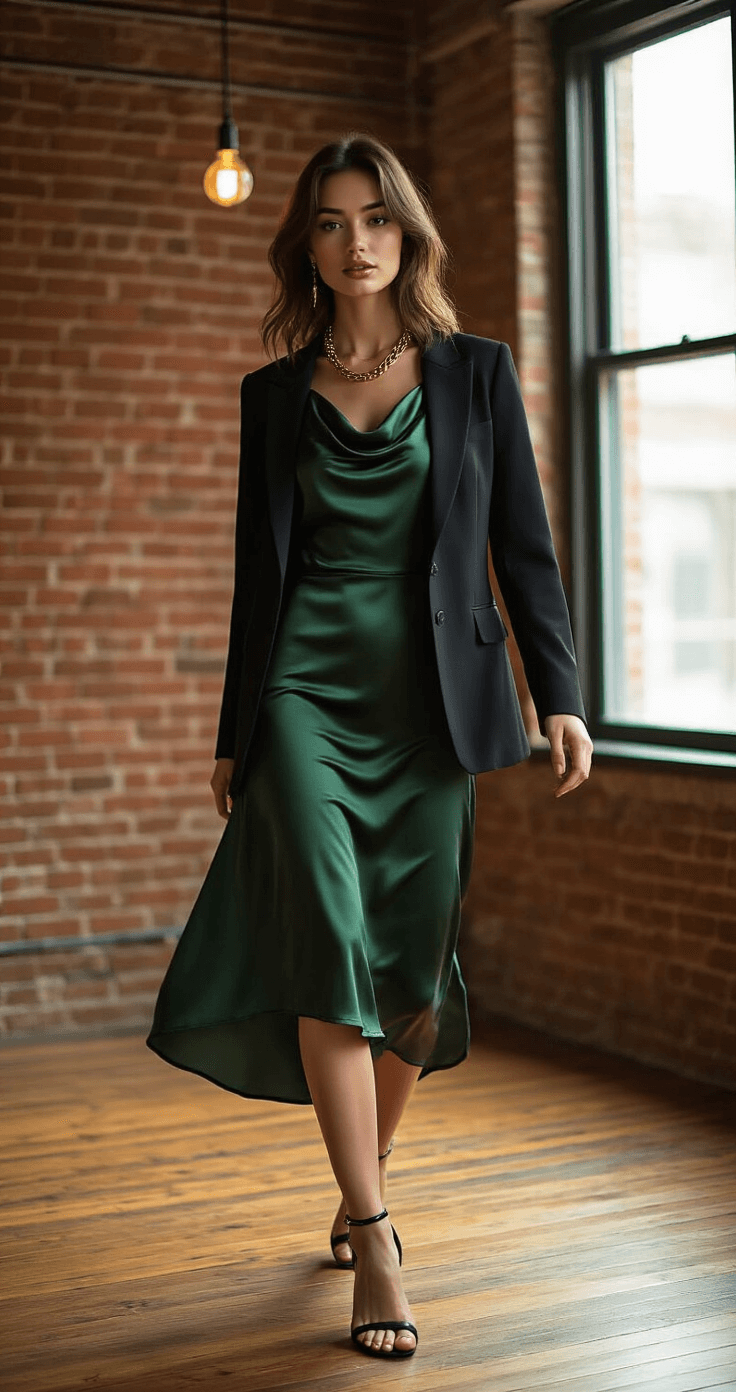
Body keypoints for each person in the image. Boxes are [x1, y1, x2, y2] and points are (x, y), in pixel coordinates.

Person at [147, 132, 592, 1362]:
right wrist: (238, 729)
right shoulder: (272, 394)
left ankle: (359, 1180)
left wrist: (557, 693)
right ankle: (378, 1233)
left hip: (431, 703)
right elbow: (259, 580)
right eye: (331, 222)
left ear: (408, 233)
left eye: (375, 218)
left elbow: (524, 547)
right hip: (304, 695)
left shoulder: (474, 374)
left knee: (408, 972)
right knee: (328, 940)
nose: (355, 242)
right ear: (309, 243)